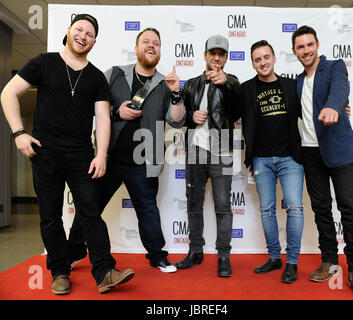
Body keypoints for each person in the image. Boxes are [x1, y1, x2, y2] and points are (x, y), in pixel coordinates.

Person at [0, 14, 134, 295]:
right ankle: (59, 271)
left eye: (89, 33)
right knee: (50, 215)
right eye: (79, 29)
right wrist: (18, 133)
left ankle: (105, 271)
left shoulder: (97, 77)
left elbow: (103, 118)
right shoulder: (43, 62)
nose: (83, 36)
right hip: (45, 151)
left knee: (90, 211)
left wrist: (102, 155)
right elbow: (8, 93)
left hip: (81, 152)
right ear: (69, 31)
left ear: (94, 42)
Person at [67, 27, 185, 273]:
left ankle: (157, 256)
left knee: (148, 211)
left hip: (144, 161)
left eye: (156, 42)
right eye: (146, 42)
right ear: (136, 47)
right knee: (89, 207)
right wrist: (116, 112)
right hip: (107, 158)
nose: (151, 46)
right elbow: (95, 108)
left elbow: (176, 121)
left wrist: (175, 94)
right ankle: (74, 251)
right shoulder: (114, 74)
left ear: (160, 50)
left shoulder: (165, 83)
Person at [292, 25, 353, 299]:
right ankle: (329, 261)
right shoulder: (298, 82)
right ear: (294, 51)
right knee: (321, 209)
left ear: (317, 45)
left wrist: (334, 106)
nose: (305, 50)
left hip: (339, 150)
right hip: (310, 153)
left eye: (309, 45)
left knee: (349, 209)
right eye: (300, 47)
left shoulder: (335, 67)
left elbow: (340, 90)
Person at [175, 35, 241, 277]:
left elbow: (237, 109)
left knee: (223, 205)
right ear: (204, 55)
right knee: (194, 203)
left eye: (221, 54)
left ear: (226, 58)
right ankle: (195, 251)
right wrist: (191, 115)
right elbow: (178, 116)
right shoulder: (191, 83)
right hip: (195, 151)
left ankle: (224, 255)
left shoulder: (232, 81)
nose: (216, 57)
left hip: (221, 150)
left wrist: (226, 84)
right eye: (212, 53)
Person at [240, 40, 304, 284]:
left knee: (295, 208)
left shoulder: (291, 85)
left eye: (266, 57)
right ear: (253, 63)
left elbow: (309, 109)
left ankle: (293, 262)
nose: (263, 62)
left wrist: (339, 108)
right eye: (257, 59)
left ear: (275, 58)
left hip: (291, 158)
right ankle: (275, 257)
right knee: (267, 210)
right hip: (261, 159)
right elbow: (228, 108)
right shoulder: (247, 89)